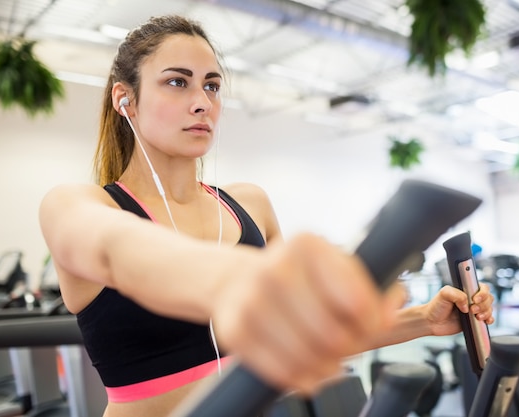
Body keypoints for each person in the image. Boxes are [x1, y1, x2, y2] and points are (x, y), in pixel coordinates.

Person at [38, 14, 495, 417]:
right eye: (177, 82)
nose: (202, 102)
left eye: (212, 86)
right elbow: (121, 250)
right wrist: (246, 280)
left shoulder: (248, 203)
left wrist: (424, 321)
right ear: (126, 99)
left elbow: (303, 336)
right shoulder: (76, 206)